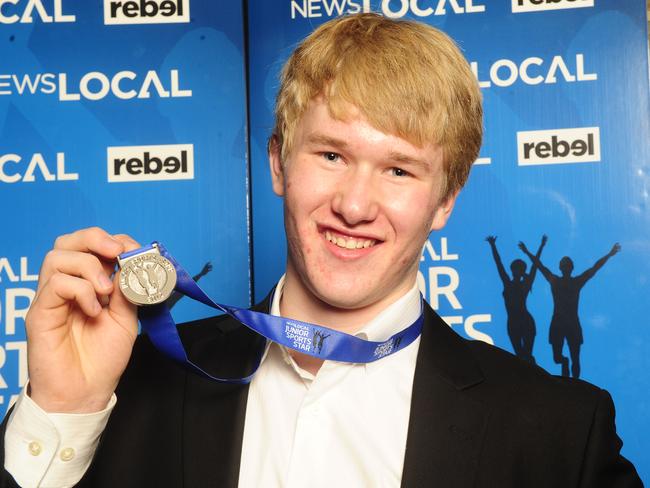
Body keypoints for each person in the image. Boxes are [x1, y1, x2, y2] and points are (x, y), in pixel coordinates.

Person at [1, 13, 642, 488]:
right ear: (279, 162)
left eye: (400, 170)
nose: (355, 205)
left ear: (445, 200)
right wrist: (63, 411)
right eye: (331, 154)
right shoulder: (137, 389)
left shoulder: (561, 433)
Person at [519, 240, 621, 379]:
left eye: (567, 265)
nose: (566, 267)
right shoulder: (556, 281)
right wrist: (527, 252)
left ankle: (575, 385)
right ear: (561, 268)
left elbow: (594, 268)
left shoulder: (575, 282)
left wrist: (609, 254)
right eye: (564, 265)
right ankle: (565, 363)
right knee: (558, 358)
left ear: (571, 268)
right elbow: (539, 265)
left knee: (575, 358)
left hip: (572, 323)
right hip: (558, 323)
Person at [486, 235, 547, 364]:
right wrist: (493, 246)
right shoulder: (507, 283)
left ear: (521, 271)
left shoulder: (526, 284)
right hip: (513, 324)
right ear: (512, 270)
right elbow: (499, 264)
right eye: (515, 269)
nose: (516, 271)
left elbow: (535, 265)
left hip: (526, 322)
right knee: (519, 358)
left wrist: (540, 246)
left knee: (528, 356)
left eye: (519, 269)